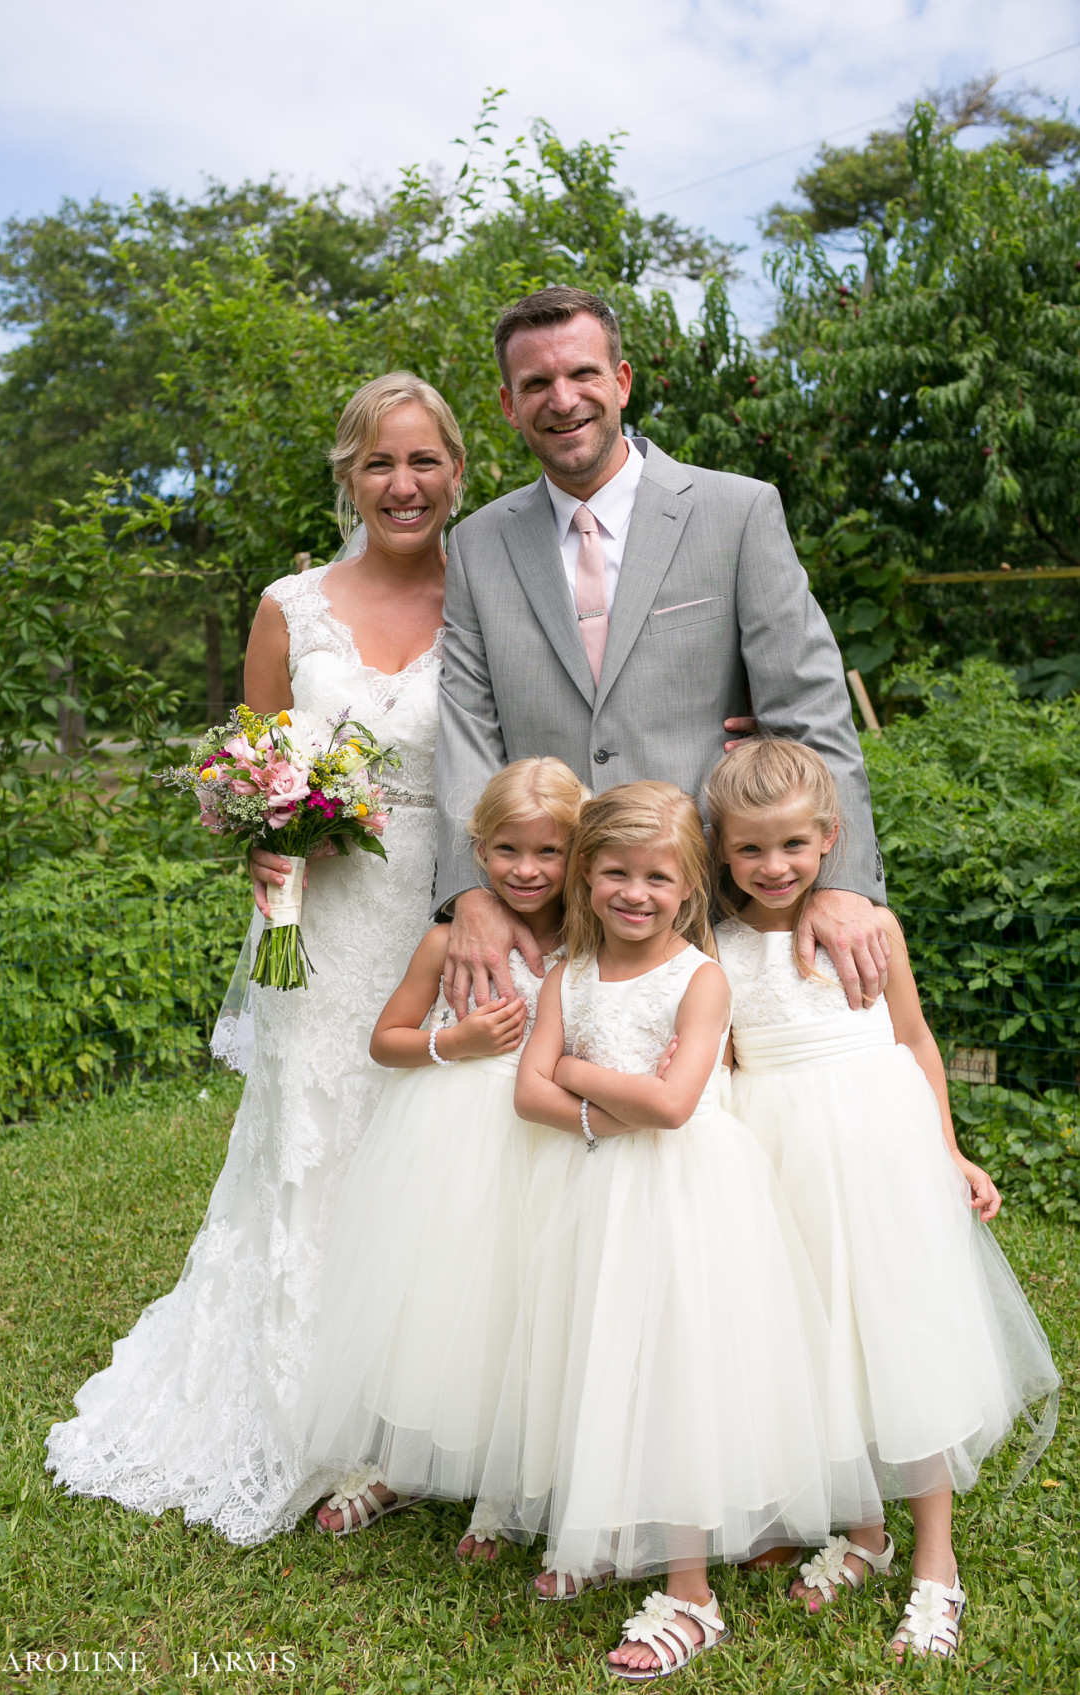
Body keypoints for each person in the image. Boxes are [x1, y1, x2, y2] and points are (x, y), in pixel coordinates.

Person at [46, 373, 462, 1545]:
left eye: (423, 460)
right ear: (346, 477)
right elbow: (253, 763)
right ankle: (306, 1402)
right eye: (378, 462)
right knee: (314, 1134)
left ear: (456, 471)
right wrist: (265, 834)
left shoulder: (491, 594)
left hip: (445, 906)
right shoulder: (289, 607)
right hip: (319, 921)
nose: (402, 484)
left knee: (431, 1138)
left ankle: (427, 1403)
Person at [436, 285, 891, 1025]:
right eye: (536, 383)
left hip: (722, 906)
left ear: (621, 381)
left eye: (583, 373)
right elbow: (467, 733)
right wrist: (471, 892)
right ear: (509, 405)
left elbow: (810, 709)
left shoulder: (738, 512)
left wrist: (842, 883)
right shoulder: (477, 543)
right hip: (546, 920)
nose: (562, 399)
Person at [474, 782, 836, 1682]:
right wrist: (605, 1105)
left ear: (689, 886)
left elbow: (672, 1106)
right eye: (615, 873)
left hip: (685, 1196)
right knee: (599, 1352)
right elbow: (526, 1093)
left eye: (658, 877)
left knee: (677, 1370)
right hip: (593, 1187)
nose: (635, 893)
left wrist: (575, 1069)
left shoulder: (699, 978)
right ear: (586, 876)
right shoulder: (568, 975)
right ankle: (607, 1529)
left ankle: (691, 1593)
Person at [707, 737, 1060, 1661]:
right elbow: (726, 1062)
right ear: (721, 850)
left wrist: (948, 1149)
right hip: (775, 1151)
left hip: (879, 1150)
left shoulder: (872, 928)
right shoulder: (716, 946)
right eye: (749, 848)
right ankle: (865, 1528)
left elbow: (914, 1039)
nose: (774, 865)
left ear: (830, 836)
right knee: (814, 1334)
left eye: (794, 844)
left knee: (901, 1337)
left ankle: (936, 1561)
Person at [276, 758, 587, 1549]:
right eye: (507, 849)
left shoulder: (592, 947)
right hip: (448, 1139)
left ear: (579, 852)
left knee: (524, 1303)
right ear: (477, 849)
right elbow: (386, 1039)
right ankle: (406, 1461)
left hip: (545, 1143)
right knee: (440, 1296)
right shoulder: (448, 939)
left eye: (549, 852)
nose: (526, 869)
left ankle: (505, 1486)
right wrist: (458, 1041)